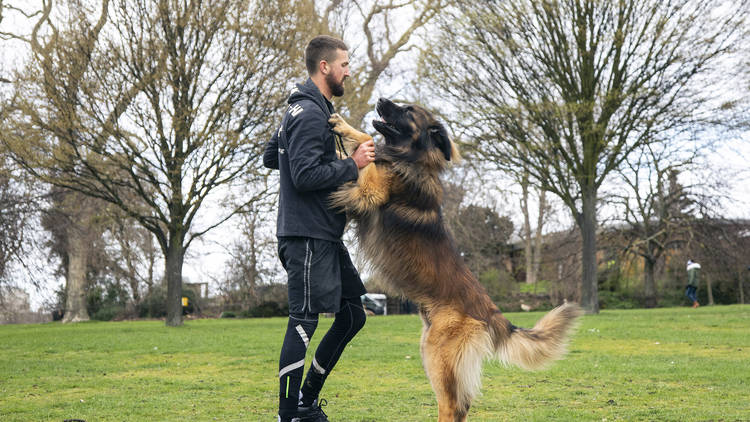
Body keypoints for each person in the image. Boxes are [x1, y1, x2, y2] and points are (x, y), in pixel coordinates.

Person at [263, 35, 375, 422]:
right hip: (306, 236)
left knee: (352, 316)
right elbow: (304, 174)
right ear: (324, 67)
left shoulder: (306, 108)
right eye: (344, 64)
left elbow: (270, 156)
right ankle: (288, 414)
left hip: (322, 235)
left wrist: (302, 147)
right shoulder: (309, 112)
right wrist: (353, 164)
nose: (349, 70)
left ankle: (306, 401)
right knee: (304, 322)